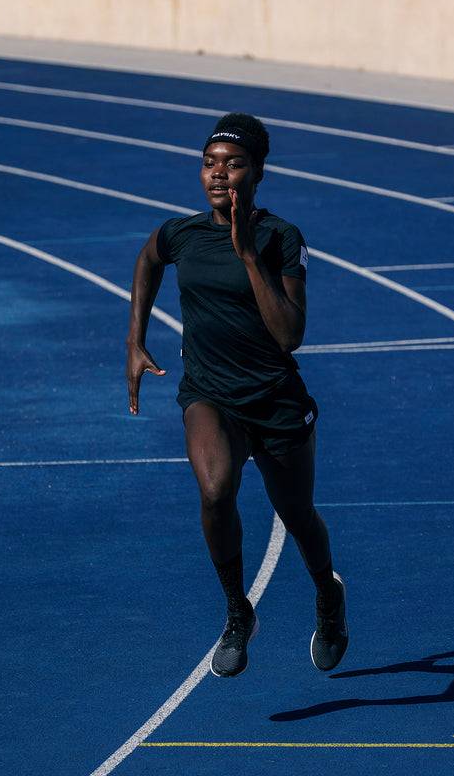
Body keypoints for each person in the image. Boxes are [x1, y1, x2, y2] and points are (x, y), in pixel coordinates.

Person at [126, 112, 347, 678]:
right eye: (209, 163)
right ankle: (236, 611)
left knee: (297, 515)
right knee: (216, 490)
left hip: (274, 397)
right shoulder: (182, 233)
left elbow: (290, 334)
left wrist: (248, 254)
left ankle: (327, 596)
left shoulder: (280, 238)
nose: (218, 173)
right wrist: (135, 340)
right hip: (209, 394)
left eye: (233, 163)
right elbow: (148, 260)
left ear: (258, 172)